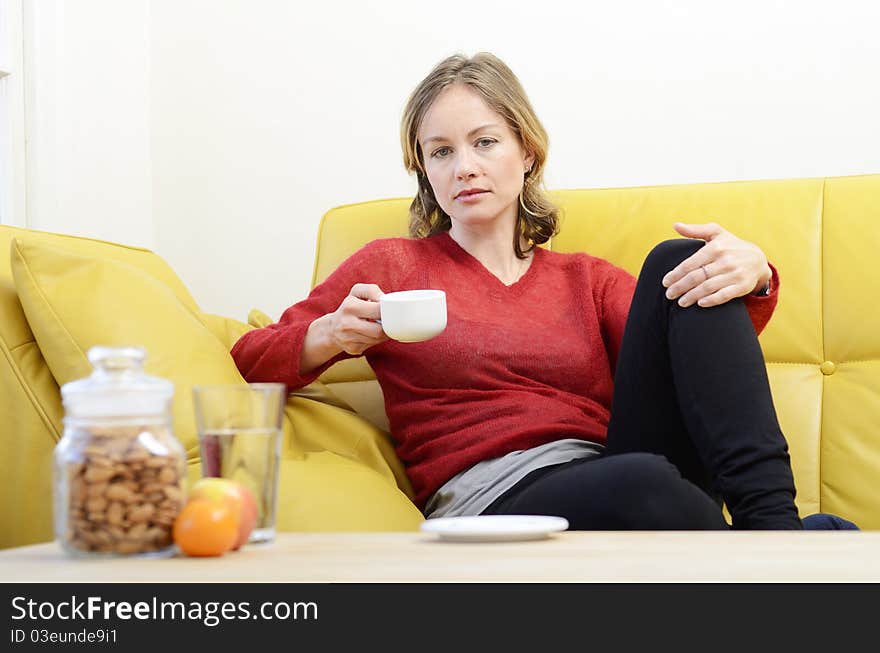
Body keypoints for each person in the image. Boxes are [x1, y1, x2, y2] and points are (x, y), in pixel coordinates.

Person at [231, 52, 857, 531]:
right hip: (495, 497)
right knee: (642, 481)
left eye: (484, 142)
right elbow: (249, 359)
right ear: (425, 169)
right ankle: (788, 549)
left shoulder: (581, 279)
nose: (464, 167)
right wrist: (328, 334)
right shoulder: (391, 265)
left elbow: (700, 358)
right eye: (440, 152)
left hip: (619, 464)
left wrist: (755, 273)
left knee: (679, 260)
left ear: (526, 152)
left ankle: (773, 531)